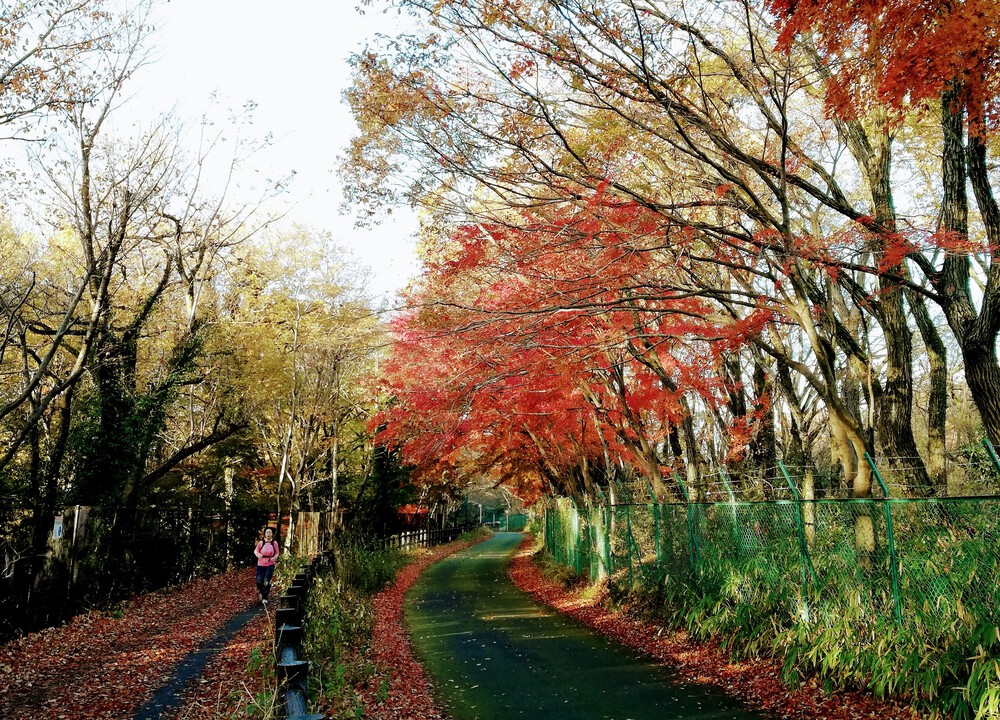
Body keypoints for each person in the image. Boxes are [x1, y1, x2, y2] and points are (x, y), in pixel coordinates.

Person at [254, 526, 279, 605]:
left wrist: (274, 558)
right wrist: (259, 555)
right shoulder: (261, 543)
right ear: (264, 534)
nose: (268, 534)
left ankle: (265, 597)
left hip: (270, 564)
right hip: (261, 563)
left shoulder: (274, 543)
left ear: (272, 534)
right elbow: (256, 551)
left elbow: (277, 553)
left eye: (270, 532)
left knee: (266, 580)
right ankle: (263, 593)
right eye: (267, 532)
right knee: (259, 580)